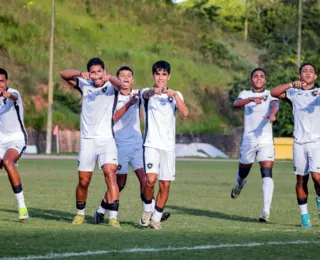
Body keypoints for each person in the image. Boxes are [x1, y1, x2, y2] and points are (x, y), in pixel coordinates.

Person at [93, 66, 170, 223]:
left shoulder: (138, 94)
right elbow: (112, 119)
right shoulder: (112, 96)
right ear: (117, 79)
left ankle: (152, 212)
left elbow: (147, 94)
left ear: (132, 80)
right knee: (120, 184)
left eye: (129, 76)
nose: (126, 78)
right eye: (122, 76)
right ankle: (101, 209)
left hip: (137, 145)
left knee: (146, 180)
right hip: (119, 145)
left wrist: (156, 90)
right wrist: (128, 104)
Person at [60, 57, 122, 227]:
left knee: (110, 175)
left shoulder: (111, 86)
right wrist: (81, 74)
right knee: (83, 181)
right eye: (93, 72)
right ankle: (80, 214)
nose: (96, 75)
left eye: (99, 71)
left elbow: (121, 86)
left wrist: (110, 77)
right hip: (88, 140)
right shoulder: (85, 85)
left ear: (104, 71)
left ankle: (113, 217)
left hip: (107, 140)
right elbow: (64, 74)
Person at [139, 60, 189, 230]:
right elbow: (145, 95)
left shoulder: (176, 95)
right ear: (153, 75)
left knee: (165, 184)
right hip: (151, 144)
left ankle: (156, 218)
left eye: (164, 74)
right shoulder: (147, 92)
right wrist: (155, 91)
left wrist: (174, 95)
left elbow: (185, 112)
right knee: (150, 180)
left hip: (168, 146)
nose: (161, 78)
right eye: (158, 74)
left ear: (169, 76)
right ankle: (147, 210)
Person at [270, 63, 320, 228]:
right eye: (304, 71)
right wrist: (291, 84)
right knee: (301, 180)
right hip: (299, 142)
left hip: (317, 142)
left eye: (311, 71)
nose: (307, 73)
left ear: (315, 76)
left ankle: (319, 199)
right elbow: (274, 92)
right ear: (299, 76)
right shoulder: (294, 93)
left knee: (317, 177)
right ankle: (304, 215)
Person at [230, 68, 279, 222]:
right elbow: (236, 104)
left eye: (262, 76)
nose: (259, 78)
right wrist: (251, 100)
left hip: (266, 140)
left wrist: (272, 114)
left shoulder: (271, 94)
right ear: (251, 80)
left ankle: (265, 211)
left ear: (265, 80)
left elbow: (275, 105)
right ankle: (239, 184)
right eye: (256, 76)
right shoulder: (245, 94)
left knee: (267, 172)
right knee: (243, 171)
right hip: (249, 140)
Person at [0, 68, 29, 221]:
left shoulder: (13, 93)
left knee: (7, 162)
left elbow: (14, 97)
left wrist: (8, 94)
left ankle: (22, 206)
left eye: (2, 81)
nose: (0, 84)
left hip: (16, 139)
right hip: (0, 140)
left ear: (7, 82)